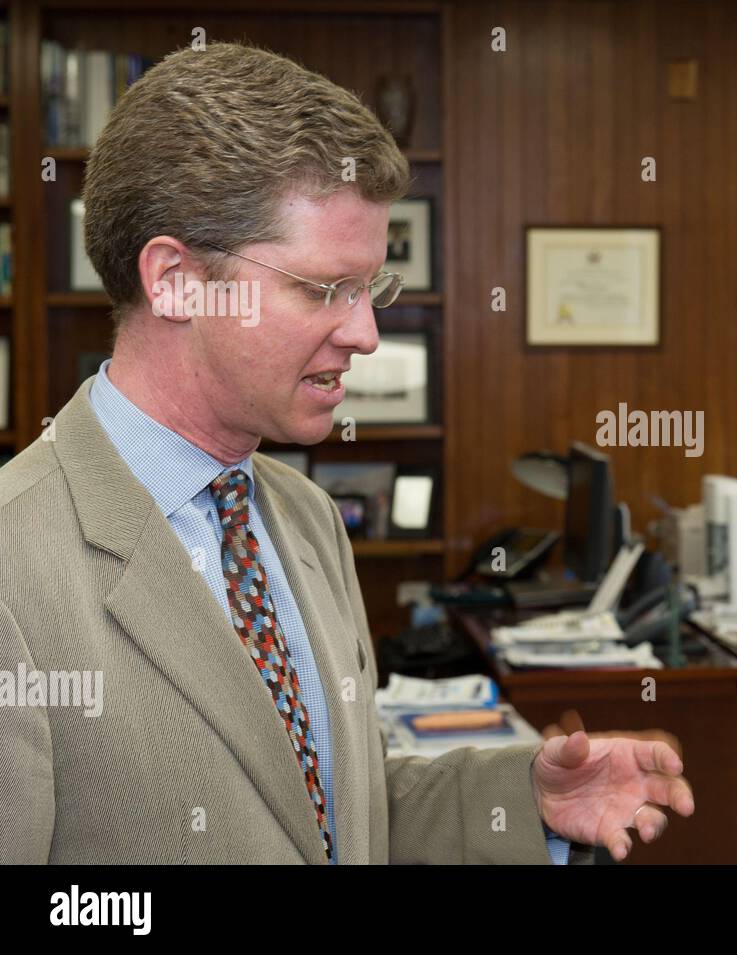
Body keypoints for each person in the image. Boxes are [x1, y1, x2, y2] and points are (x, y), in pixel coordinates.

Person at [0, 42, 692, 864]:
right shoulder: (16, 565)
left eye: (372, 289)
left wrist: (526, 801)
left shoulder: (303, 516)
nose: (365, 332)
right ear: (175, 280)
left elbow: (330, 813)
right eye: (324, 289)